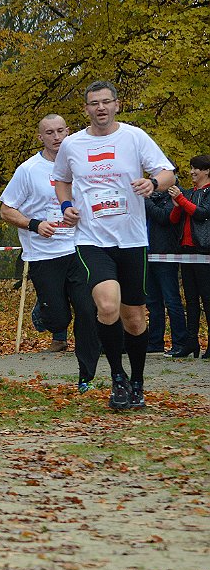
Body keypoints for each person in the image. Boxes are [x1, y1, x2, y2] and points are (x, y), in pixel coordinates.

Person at [54, 80, 176, 410]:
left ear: (117, 105)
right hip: (91, 238)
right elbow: (62, 180)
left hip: (132, 239)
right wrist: (66, 206)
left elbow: (168, 173)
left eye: (106, 102)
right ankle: (117, 377)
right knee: (107, 306)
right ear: (86, 109)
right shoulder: (73, 144)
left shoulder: (134, 137)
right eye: (94, 103)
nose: (101, 108)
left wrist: (153, 183)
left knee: (134, 318)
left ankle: (137, 381)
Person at [0, 114, 100, 393]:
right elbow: (6, 210)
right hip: (44, 254)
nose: (56, 137)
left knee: (87, 310)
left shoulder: (82, 164)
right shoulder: (28, 170)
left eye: (60, 131)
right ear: (40, 137)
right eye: (49, 133)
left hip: (79, 248)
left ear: (68, 132)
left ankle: (86, 376)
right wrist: (35, 225)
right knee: (58, 318)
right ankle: (46, 311)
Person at [168, 155, 210, 359]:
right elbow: (173, 219)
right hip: (186, 251)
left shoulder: (207, 192)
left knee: (207, 298)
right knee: (191, 300)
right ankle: (191, 341)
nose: (192, 172)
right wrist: (178, 204)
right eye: (191, 168)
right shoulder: (189, 193)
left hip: (203, 251)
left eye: (196, 168)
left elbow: (202, 213)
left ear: (207, 171)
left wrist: (182, 199)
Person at [144, 187, 189, 356]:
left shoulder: (174, 193)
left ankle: (180, 341)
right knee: (152, 302)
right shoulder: (151, 197)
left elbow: (164, 217)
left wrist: (145, 200)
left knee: (171, 300)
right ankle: (155, 342)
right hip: (148, 253)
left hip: (166, 254)